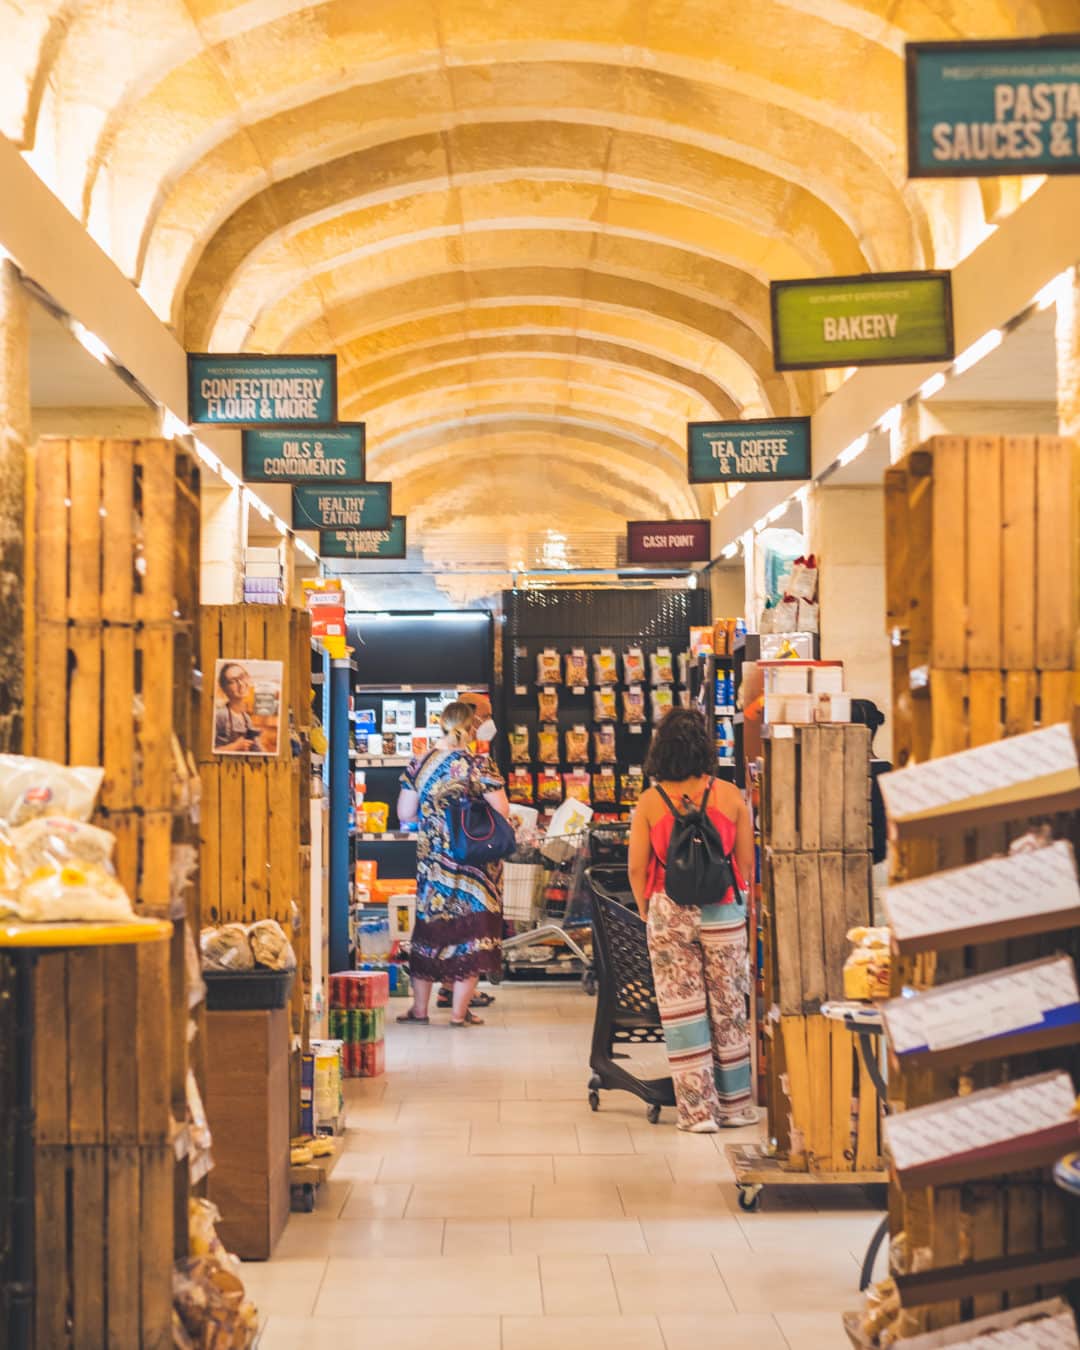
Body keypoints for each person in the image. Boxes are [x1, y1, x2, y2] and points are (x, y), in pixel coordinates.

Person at [628, 707, 757, 1132]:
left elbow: (635, 867)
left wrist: (648, 910)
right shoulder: (730, 795)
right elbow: (745, 864)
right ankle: (736, 1106)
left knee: (683, 1012)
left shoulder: (650, 801)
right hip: (723, 909)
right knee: (729, 1006)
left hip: (669, 908)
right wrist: (741, 906)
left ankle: (699, 1113)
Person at [396, 700, 510, 1027]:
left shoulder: (419, 763)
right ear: (472, 727)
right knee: (471, 933)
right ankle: (459, 1015)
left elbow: (405, 814)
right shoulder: (479, 765)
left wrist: (434, 816)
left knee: (431, 931)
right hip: (474, 864)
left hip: (434, 864)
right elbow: (501, 809)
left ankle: (420, 1010)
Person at [214, 662, 260, 753]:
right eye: (233, 681)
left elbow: (257, 750)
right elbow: (206, 752)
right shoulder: (219, 715)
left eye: (242, 677)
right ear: (224, 689)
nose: (241, 684)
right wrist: (234, 747)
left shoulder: (246, 718)